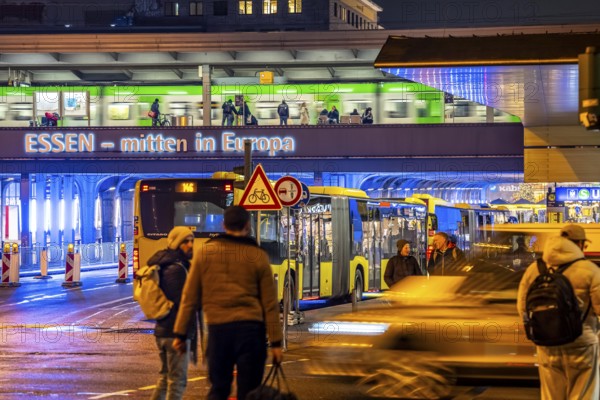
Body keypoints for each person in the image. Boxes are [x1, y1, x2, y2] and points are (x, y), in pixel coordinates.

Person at [173, 206, 283, 400]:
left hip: (218, 330)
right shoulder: (258, 256)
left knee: (219, 388)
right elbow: (270, 303)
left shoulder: (206, 253)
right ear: (248, 226)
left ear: (223, 225)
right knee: (249, 392)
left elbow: (189, 297)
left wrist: (180, 334)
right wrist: (275, 343)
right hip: (251, 332)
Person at [517, 224, 600, 400]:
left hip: (547, 344)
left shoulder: (535, 269)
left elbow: (522, 306)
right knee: (583, 393)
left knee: (551, 395)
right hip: (582, 344)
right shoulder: (590, 270)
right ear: (579, 244)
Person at [149, 226, 198, 400]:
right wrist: (181, 335)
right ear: (177, 244)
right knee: (177, 382)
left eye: (192, 240)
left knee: (165, 378)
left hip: (165, 330)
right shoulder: (176, 269)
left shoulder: (170, 264)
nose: (190, 244)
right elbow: (182, 304)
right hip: (174, 333)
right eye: (186, 241)